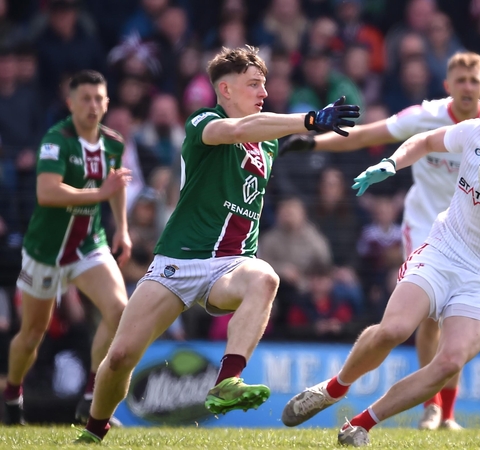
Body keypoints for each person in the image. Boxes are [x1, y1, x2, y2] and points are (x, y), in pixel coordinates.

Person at [73, 45, 359, 443]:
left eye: (263, 84)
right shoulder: (204, 120)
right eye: (253, 84)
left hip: (231, 263)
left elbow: (263, 131)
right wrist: (309, 119)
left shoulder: (271, 140)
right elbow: (239, 131)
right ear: (225, 90)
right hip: (178, 260)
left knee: (265, 279)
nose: (263, 92)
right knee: (120, 357)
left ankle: (228, 381)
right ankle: (94, 430)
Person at [281, 51, 480, 430]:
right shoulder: (477, 129)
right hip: (443, 247)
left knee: (449, 361)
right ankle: (334, 389)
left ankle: (363, 424)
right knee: (394, 330)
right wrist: (389, 164)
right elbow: (420, 140)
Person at [3, 70, 130, 426]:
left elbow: (115, 185)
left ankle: (92, 399)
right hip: (47, 251)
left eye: (98, 99)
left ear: (107, 103)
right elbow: (47, 191)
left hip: (89, 245)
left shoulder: (113, 143)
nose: (92, 105)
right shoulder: (56, 140)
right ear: (70, 102)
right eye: (85, 98)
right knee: (31, 335)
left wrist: (122, 228)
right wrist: (99, 195)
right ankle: (12, 395)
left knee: (119, 311)